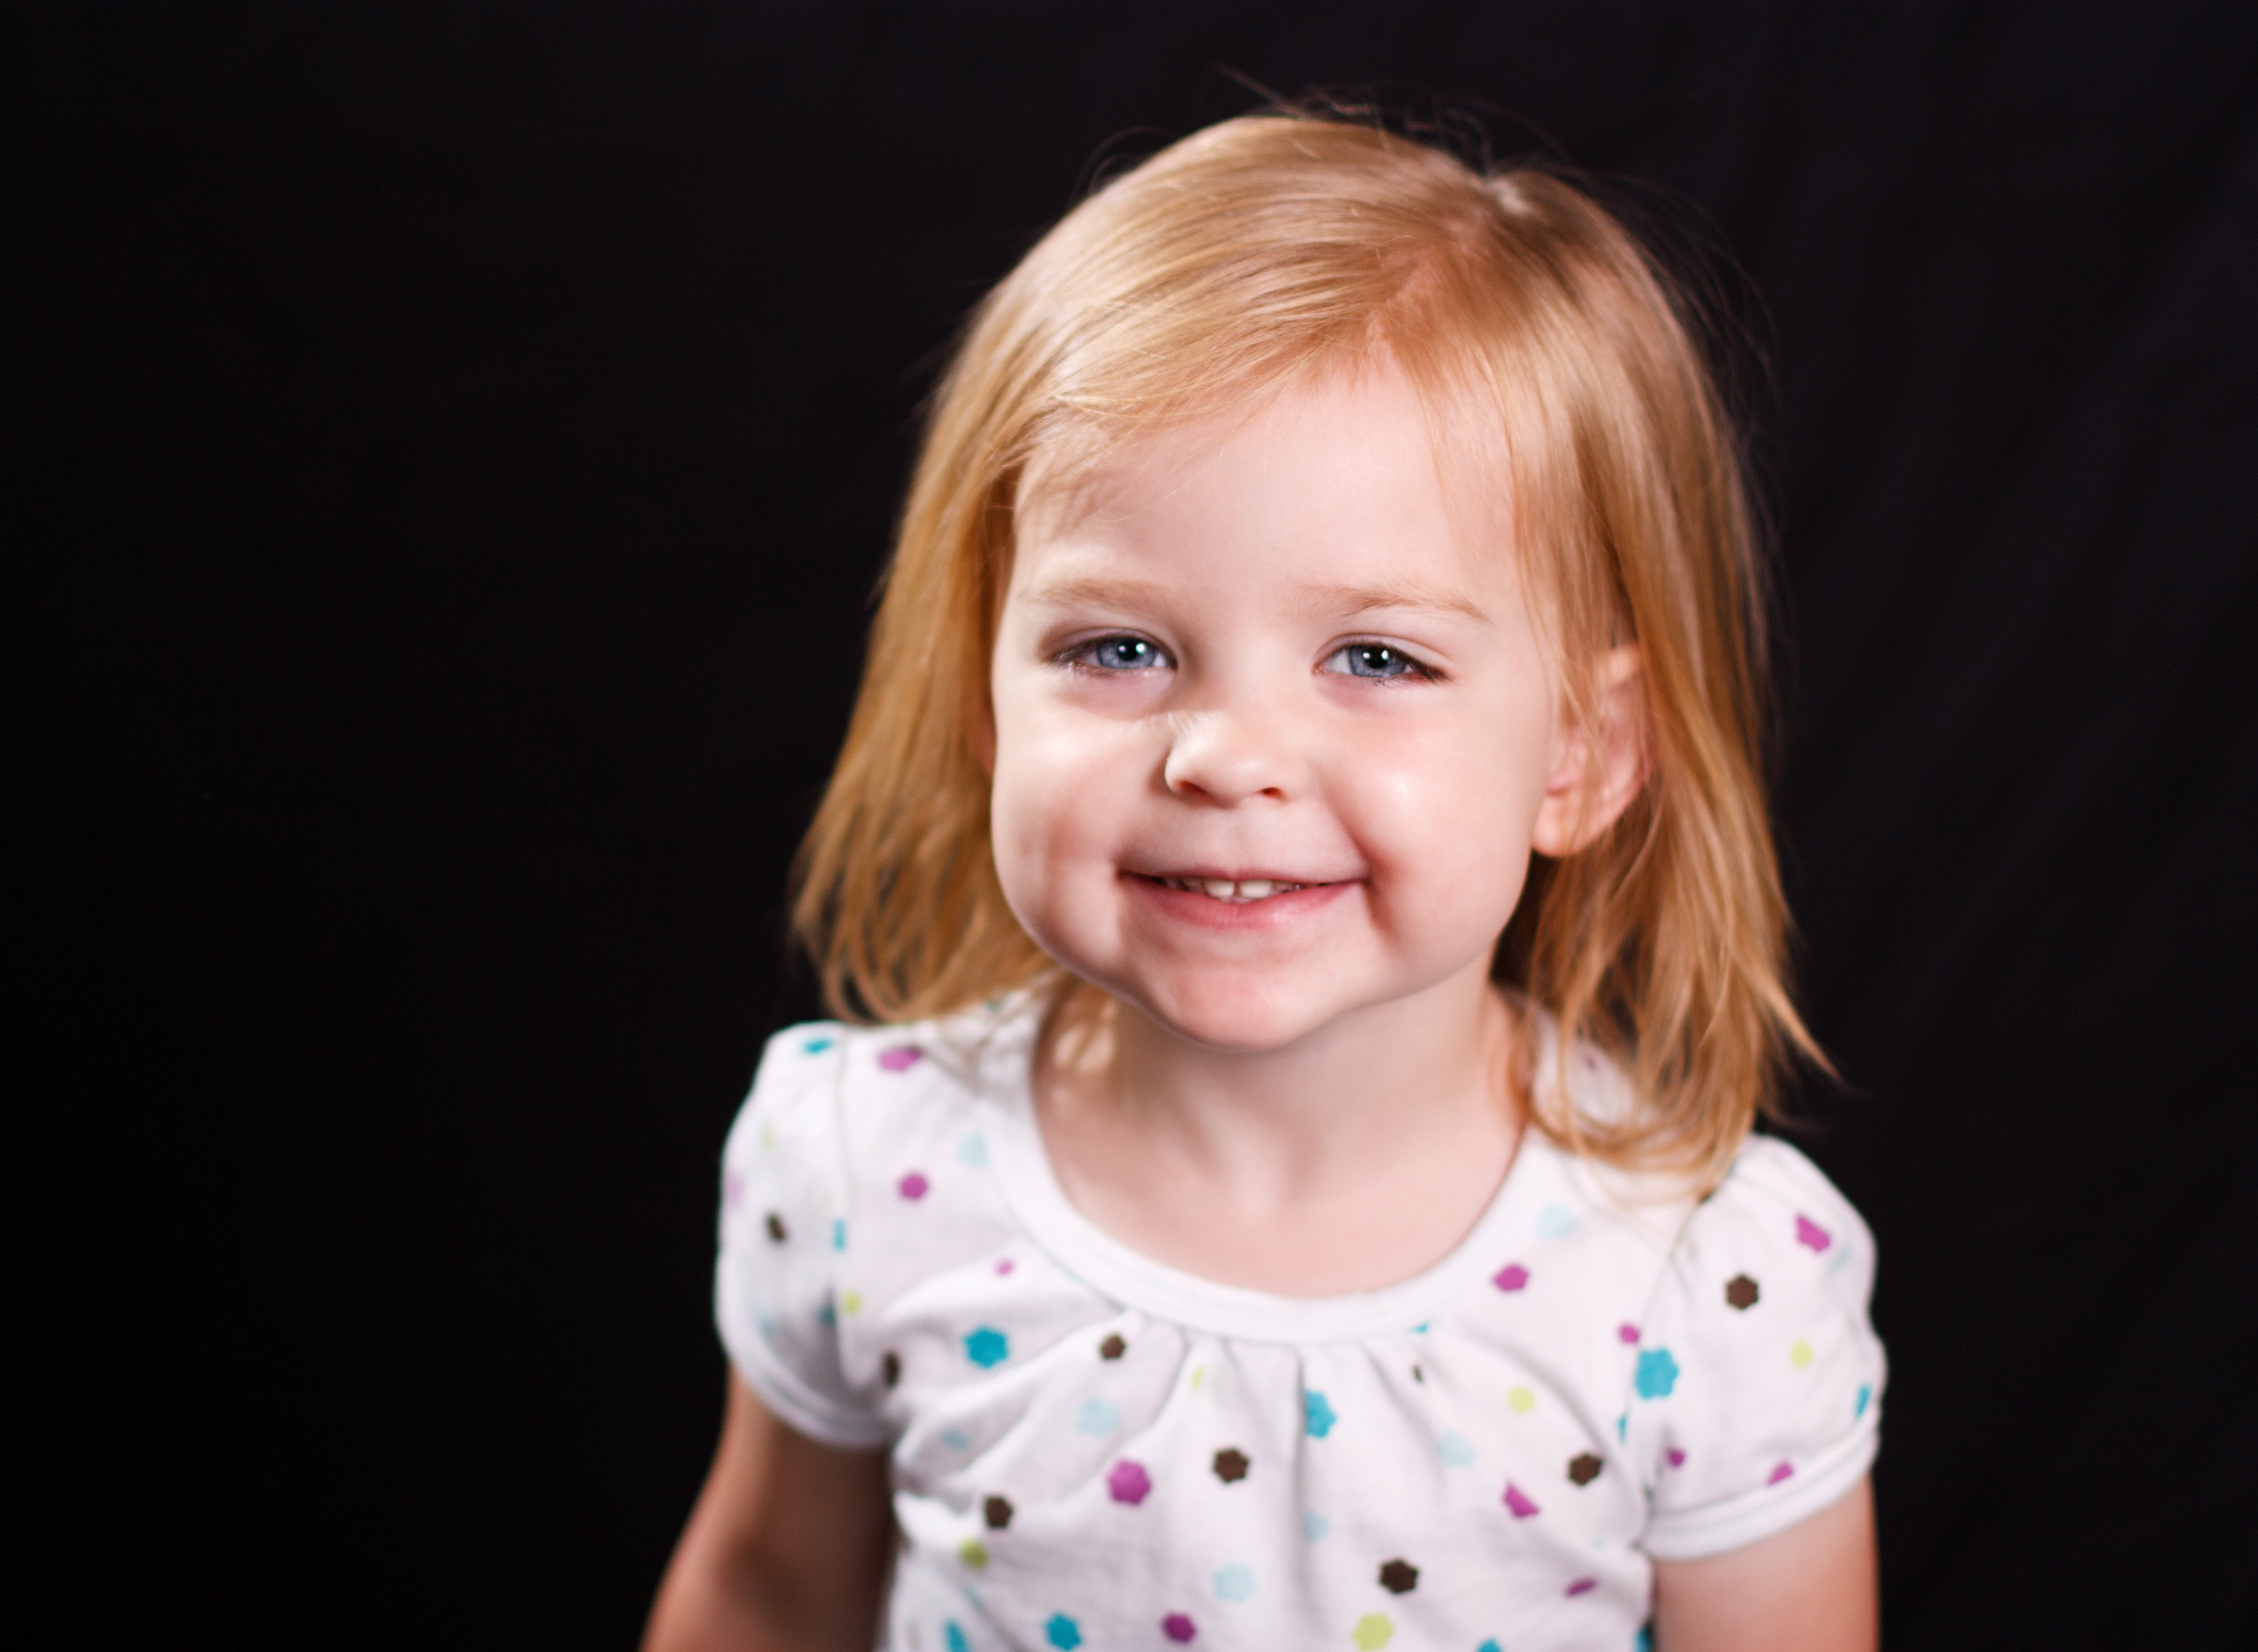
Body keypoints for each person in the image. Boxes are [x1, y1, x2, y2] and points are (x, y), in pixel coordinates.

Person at [644, 112, 1883, 1652]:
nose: (1226, 758)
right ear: (984, 700)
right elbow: (770, 1595)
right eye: (1120, 648)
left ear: (1580, 750)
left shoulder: (1707, 1289)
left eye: (1377, 658)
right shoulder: (860, 1169)